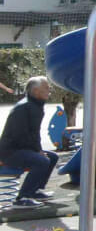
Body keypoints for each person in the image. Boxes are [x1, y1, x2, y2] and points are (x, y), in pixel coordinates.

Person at [1, 77, 59, 205]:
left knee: (52, 157)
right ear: (36, 91)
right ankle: (22, 198)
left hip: (21, 148)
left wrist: (38, 150)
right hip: (9, 152)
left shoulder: (34, 105)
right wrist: (37, 151)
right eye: (46, 88)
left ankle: (35, 190)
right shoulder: (24, 107)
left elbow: (34, 133)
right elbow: (20, 135)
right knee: (42, 161)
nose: (49, 90)